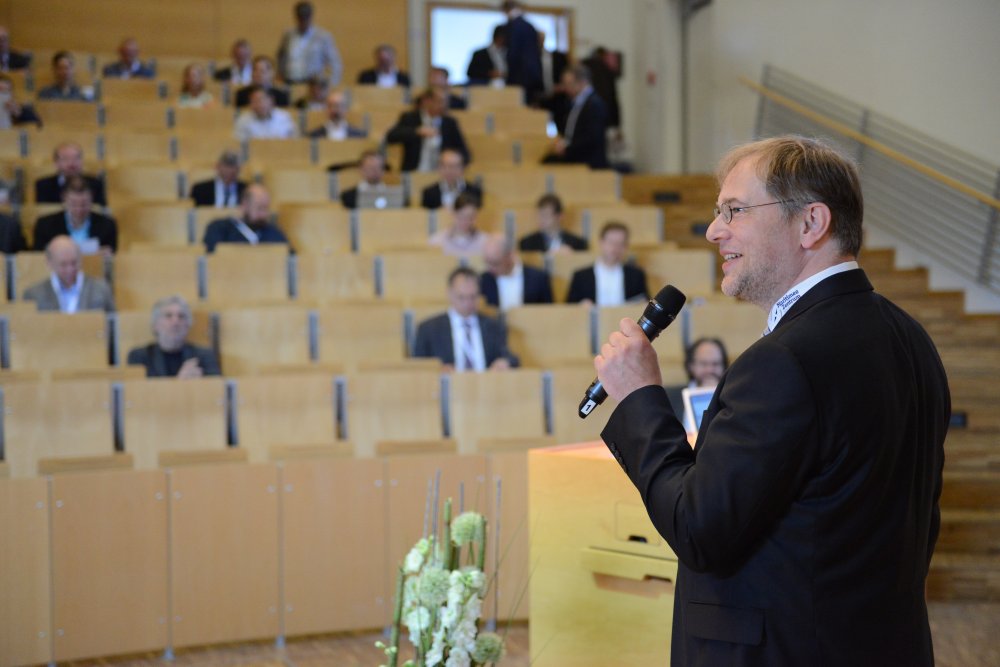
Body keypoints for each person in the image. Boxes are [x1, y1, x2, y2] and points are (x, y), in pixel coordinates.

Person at [594, 136, 950, 667]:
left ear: (811, 224)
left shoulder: (783, 359)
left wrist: (641, 398)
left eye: (734, 211)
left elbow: (699, 529)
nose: (715, 231)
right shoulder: (911, 337)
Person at [413, 266, 518, 372]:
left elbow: (512, 359)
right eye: (461, 297)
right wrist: (437, 370)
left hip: (486, 385)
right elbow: (418, 368)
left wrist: (505, 362)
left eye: (472, 297)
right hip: (447, 387)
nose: (467, 303)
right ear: (449, 294)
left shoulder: (493, 327)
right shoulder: (429, 329)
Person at [127, 295, 221, 378]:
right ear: (155, 325)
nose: (175, 322)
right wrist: (179, 383)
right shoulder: (140, 356)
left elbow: (215, 390)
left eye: (181, 316)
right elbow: (139, 394)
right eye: (168, 316)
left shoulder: (204, 356)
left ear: (188, 325)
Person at [22, 236, 115, 312]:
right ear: (49, 263)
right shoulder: (34, 295)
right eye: (63, 264)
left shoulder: (100, 289)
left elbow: (111, 327)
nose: (70, 269)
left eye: (74, 263)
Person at [386, 88, 469, 172]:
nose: (444, 105)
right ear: (427, 101)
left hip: (442, 174)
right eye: (440, 101)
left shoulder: (449, 122)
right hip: (414, 170)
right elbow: (391, 136)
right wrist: (417, 131)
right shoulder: (410, 118)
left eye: (446, 101)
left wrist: (450, 159)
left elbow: (464, 153)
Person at [542, 65, 608, 169]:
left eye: (569, 84)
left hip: (588, 162)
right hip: (575, 156)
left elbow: (591, 138)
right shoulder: (574, 102)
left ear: (582, 82)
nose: (565, 88)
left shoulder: (594, 105)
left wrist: (567, 149)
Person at [566, 221, 646, 304]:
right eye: (611, 242)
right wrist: (581, 306)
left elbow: (644, 304)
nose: (615, 248)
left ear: (626, 246)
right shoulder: (581, 276)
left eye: (620, 243)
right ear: (601, 243)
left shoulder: (636, 275)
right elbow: (568, 309)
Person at [33, 176, 117, 254]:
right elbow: (39, 257)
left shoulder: (107, 225)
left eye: (84, 204)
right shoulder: (45, 226)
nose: (79, 209)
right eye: (74, 204)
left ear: (91, 199)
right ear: (64, 199)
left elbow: (111, 255)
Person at [203, 184, 289, 253]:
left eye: (266, 208)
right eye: (259, 208)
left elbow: (288, 256)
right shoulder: (219, 229)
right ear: (245, 205)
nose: (263, 214)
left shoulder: (273, 232)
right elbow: (211, 259)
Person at [276, 1, 343, 86]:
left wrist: (332, 83)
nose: (303, 21)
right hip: (289, 80)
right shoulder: (288, 35)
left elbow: (335, 62)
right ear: (296, 17)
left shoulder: (322, 36)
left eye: (306, 18)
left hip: (312, 83)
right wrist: (280, 74)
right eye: (301, 18)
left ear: (311, 16)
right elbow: (280, 56)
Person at [479, 234, 553, 310]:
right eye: (487, 262)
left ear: (510, 255)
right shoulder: (483, 280)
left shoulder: (538, 279)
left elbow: (548, 312)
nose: (490, 268)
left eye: (495, 263)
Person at [664, 337, 729, 419]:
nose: (709, 370)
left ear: (724, 367)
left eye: (715, 364)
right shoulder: (670, 398)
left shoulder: (732, 400)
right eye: (703, 364)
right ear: (691, 366)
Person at [34, 142, 107, 206]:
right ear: (56, 163)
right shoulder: (44, 185)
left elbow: (100, 213)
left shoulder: (95, 184)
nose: (71, 163)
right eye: (66, 159)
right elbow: (42, 213)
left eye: (76, 158)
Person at [518, 193, 587, 254]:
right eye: (539, 215)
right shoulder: (527, 243)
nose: (541, 219)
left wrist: (572, 256)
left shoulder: (578, 244)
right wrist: (549, 255)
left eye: (545, 215)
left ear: (559, 216)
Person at [501, 1, 542, 101]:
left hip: (519, 76)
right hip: (532, 76)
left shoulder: (514, 26)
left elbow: (513, 54)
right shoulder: (529, 26)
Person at [428, 192, 488, 259]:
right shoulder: (437, 241)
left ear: (475, 218)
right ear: (453, 214)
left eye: (470, 217)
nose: (465, 221)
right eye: (461, 216)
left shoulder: (485, 241)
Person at [234, 86, 298, 140]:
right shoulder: (243, 120)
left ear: (271, 100)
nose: (259, 104)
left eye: (262, 100)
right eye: (254, 101)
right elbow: (238, 144)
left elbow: (294, 141)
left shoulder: (284, 117)